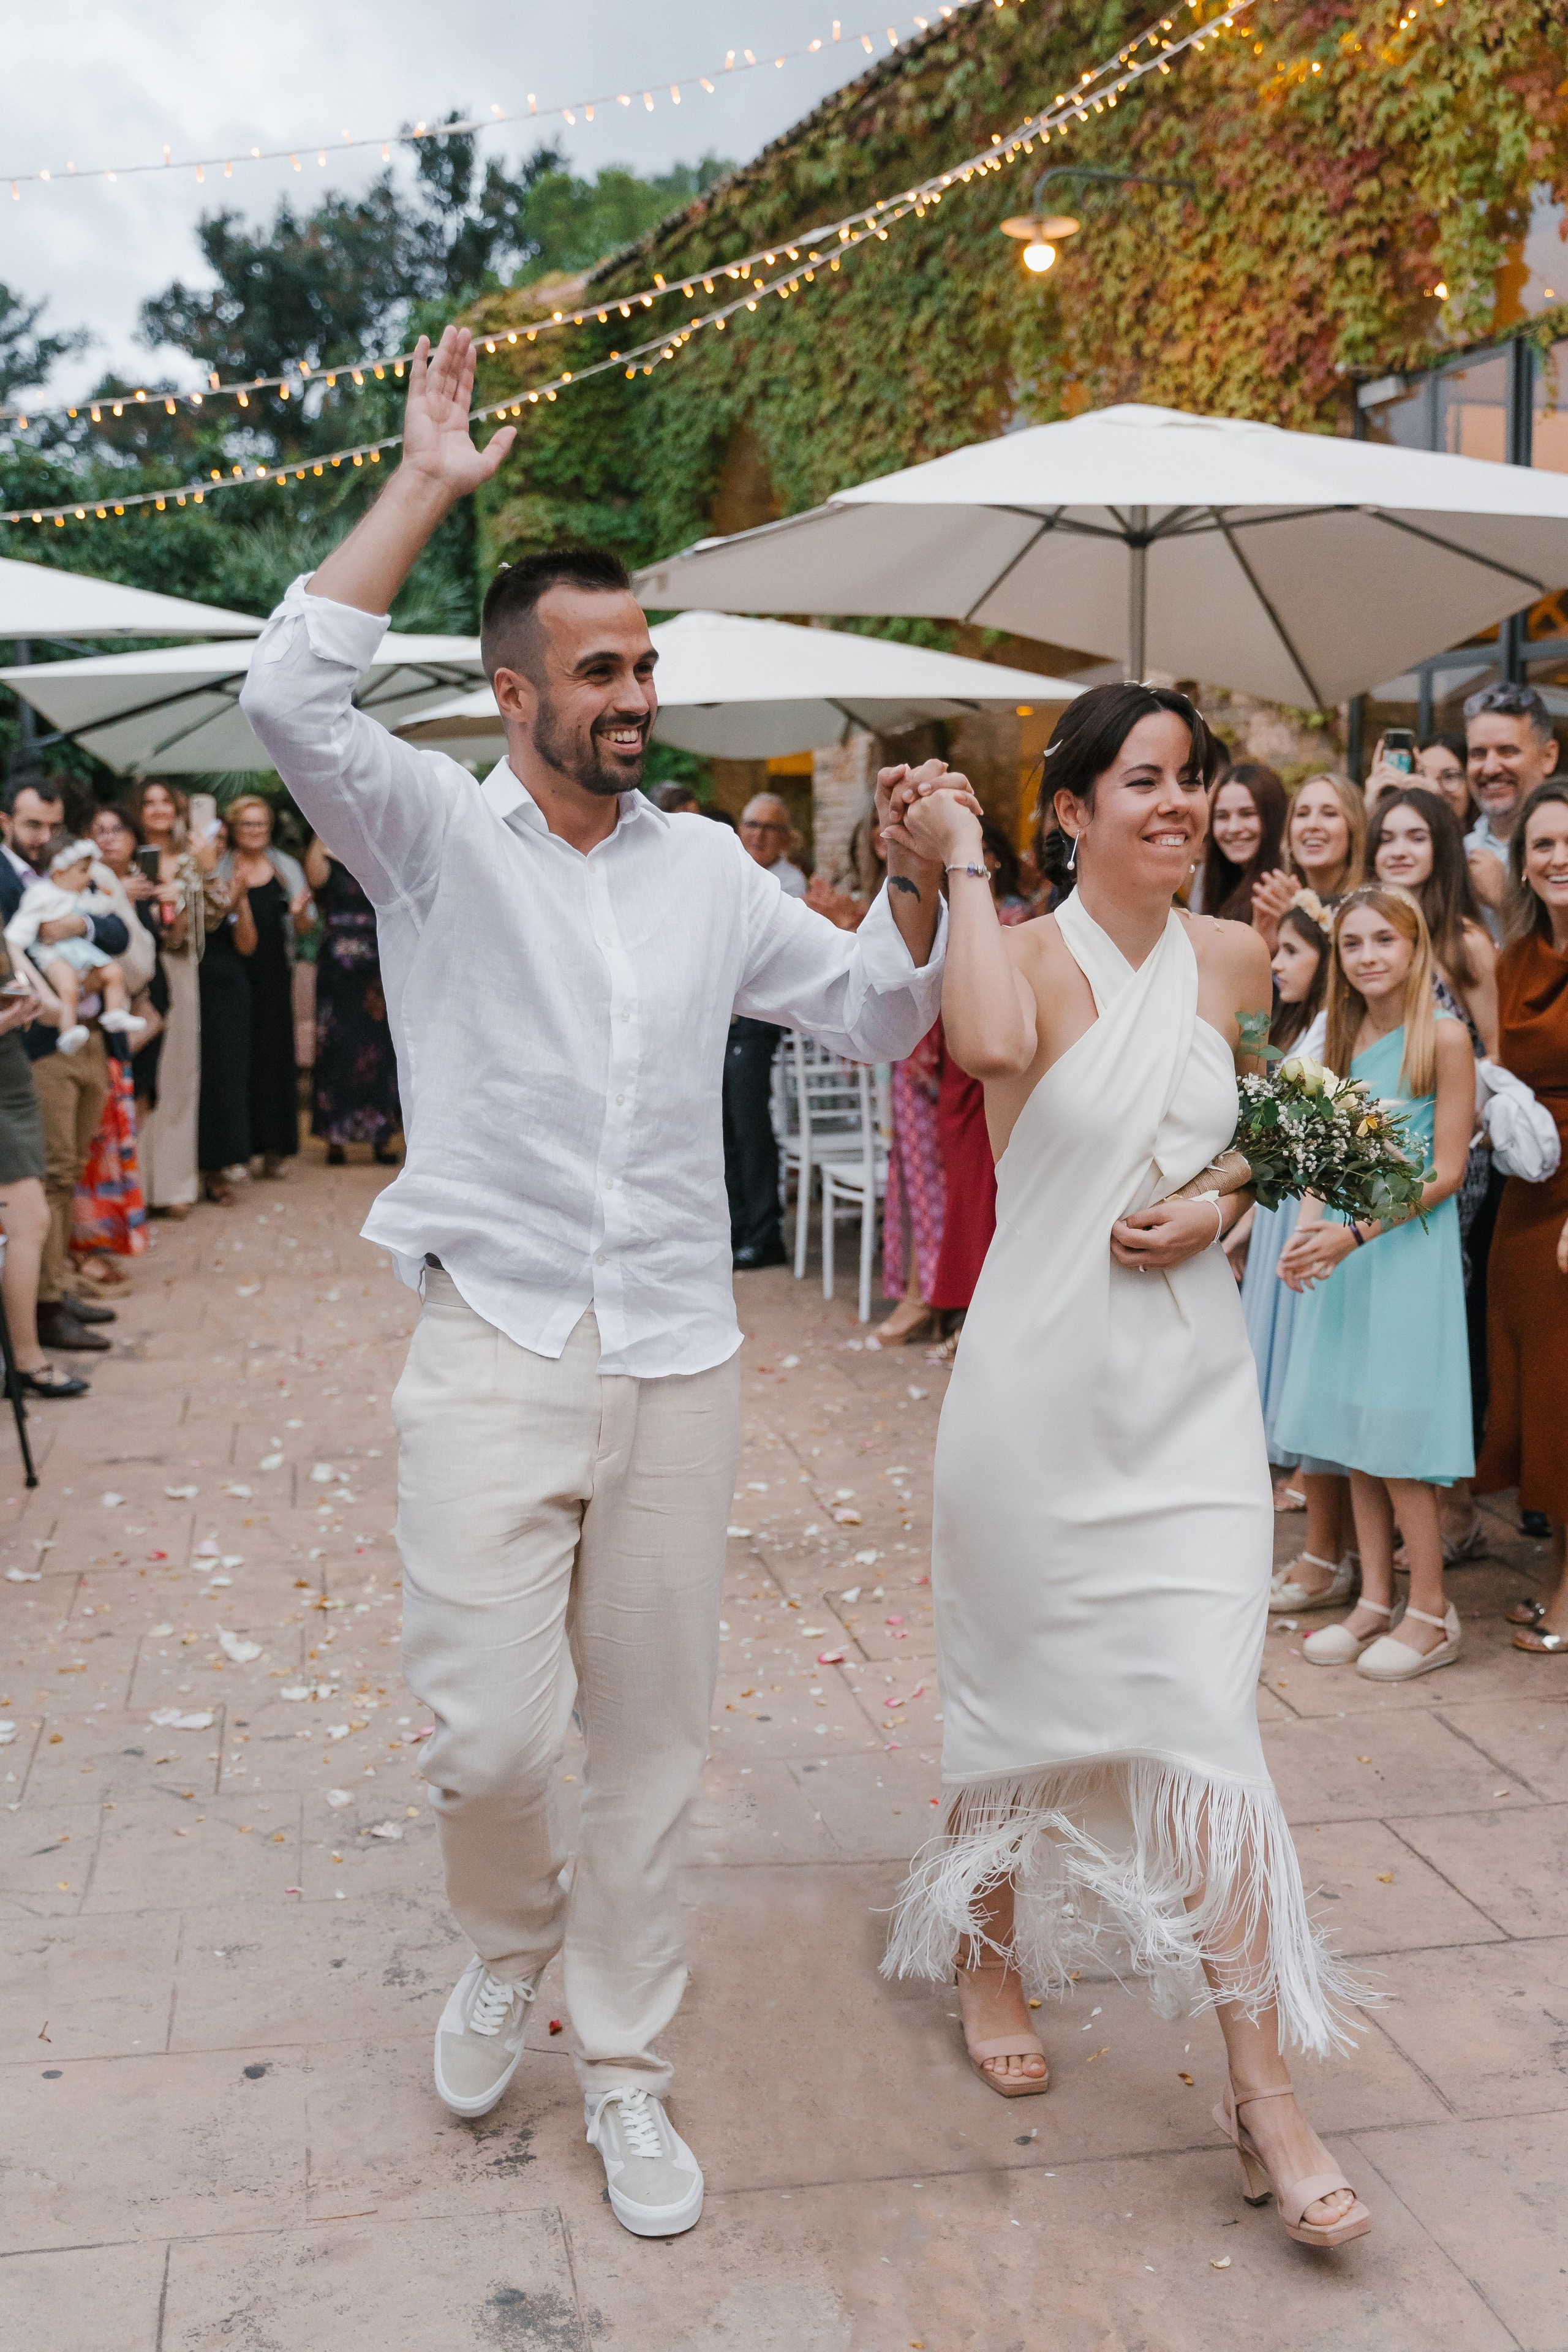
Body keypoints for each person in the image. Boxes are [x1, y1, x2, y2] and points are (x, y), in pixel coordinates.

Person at [238, 323, 959, 2240]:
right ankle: (507, 1943)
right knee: (487, 1736)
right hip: (493, 1342)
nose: (640, 694)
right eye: (605, 668)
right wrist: (424, 485)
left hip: (677, 1358)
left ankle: (626, 2067)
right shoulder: (425, 834)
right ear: (515, 690)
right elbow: (289, 692)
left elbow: (878, 1014)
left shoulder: (709, 869)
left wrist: (909, 880)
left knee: (649, 1746)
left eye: (647, 664)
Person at [884, 682, 1369, 2252]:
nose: (1179, 804)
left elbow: (1284, 1127)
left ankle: (1261, 2091)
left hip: (1189, 1400)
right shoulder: (1014, 950)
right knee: (1010, 1698)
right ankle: (984, 1951)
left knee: (1205, 1726)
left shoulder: (1233, 955)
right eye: (1142, 780)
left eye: (1191, 779)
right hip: (1034, 1396)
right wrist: (960, 853)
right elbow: (981, 1045)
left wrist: (1223, 1201)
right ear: (1072, 810)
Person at [1273, 890, 1474, 1679]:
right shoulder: (1341, 1040)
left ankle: (1430, 1611)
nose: (1367, 956)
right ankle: (1372, 1600)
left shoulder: (1444, 1038)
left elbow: (1446, 1171)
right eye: (1351, 943)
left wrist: (1353, 1234)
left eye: (1383, 939)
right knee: (1352, 1428)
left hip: (1402, 1249)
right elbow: (1324, 1157)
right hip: (1344, 1251)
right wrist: (1308, 1232)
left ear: (1415, 946)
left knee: (1396, 1434)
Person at [1475, 780, 1568, 1648]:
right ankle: (1556, 1576)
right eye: (1542, 844)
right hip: (1529, 1191)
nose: (1557, 857)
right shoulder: (1513, 959)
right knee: (1540, 1394)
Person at [0, 778, 140, 1354]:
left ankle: (54, 1286)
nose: (44, 837)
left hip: (89, 1037)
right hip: (37, 1044)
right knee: (52, 1172)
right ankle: (44, 1306)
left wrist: (78, 926)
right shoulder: (6, 879)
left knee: (71, 1168)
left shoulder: (72, 869)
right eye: (32, 825)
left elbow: (117, 930)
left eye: (53, 826)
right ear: (5, 821)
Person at [1232, 897, 1346, 1548]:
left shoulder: (1329, 1030)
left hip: (1307, 1203)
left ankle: (1307, 1466)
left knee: (1299, 1336)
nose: (1277, 964)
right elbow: (1269, 1111)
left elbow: (1306, 1133)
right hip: (1281, 1202)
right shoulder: (1301, 1026)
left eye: (1292, 952)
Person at [0, 961, 89, 1400]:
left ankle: (21, 1358)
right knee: (29, 1223)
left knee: (30, 1224)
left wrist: (27, 999)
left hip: (14, 1087)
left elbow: (55, 1012)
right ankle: (25, 1359)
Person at [126, 779, 211, 1221]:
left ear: (177, 811)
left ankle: (175, 1183)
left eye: (165, 802)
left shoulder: (193, 858)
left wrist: (204, 875)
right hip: (133, 971)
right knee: (139, 1074)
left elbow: (211, 920)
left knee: (179, 1072)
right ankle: (134, 1185)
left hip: (180, 967)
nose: (158, 809)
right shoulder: (123, 859)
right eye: (149, 802)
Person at [219, 795, 313, 1180]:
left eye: (261, 824)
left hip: (275, 972)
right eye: (247, 824)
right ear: (233, 828)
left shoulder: (286, 866)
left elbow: (305, 926)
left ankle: (275, 1149)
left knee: (275, 1057)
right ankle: (237, 1150)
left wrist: (299, 914)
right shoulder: (222, 865)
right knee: (237, 1057)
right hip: (232, 972)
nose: (255, 831)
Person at [304, 837, 401, 1164]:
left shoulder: (384, 853)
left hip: (379, 963)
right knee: (336, 1047)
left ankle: (382, 1135)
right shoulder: (327, 853)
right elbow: (314, 878)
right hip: (338, 970)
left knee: (382, 1049)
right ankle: (335, 1136)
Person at [5, 839, 147, 1057]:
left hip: (82, 954)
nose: (89, 877)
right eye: (83, 871)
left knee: (113, 972)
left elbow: (106, 916)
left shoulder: (81, 894)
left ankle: (115, 1013)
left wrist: (104, 898)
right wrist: (25, 938)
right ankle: (68, 1030)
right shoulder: (40, 895)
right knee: (68, 987)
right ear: (59, 871)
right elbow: (18, 931)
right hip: (53, 955)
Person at [1463, 682, 1561, 931]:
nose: (1490, 768)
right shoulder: (1456, 853)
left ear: (1548, 757)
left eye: (1507, 751)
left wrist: (1505, 900)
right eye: (1478, 754)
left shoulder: (1562, 854)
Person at [196, 834, 257, 1207]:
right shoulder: (184, 879)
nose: (215, 844)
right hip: (187, 981)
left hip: (226, 987)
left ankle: (218, 1166)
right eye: (209, 836)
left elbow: (247, 945)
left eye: (221, 838)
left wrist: (241, 899)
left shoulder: (229, 882)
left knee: (224, 1074)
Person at [1251, 772, 1366, 952]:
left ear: (1354, 829)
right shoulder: (1276, 903)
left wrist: (1298, 926)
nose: (1312, 825)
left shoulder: (1369, 906)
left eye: (1329, 814)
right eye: (1302, 814)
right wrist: (1263, 945)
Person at [1193, 761, 1287, 922]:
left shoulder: (1286, 886)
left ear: (1273, 818)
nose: (1233, 828)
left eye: (1247, 814)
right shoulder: (1206, 878)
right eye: (1222, 816)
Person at [737, 793, 807, 897]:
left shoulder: (792, 882)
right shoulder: (725, 869)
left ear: (785, 838)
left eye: (769, 827)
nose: (759, 834)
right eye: (752, 825)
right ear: (739, 830)